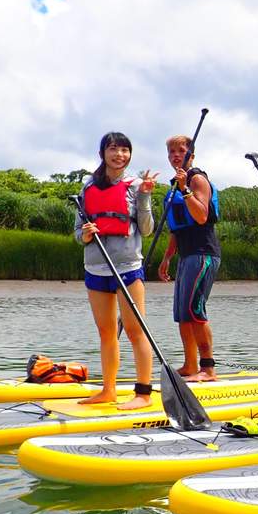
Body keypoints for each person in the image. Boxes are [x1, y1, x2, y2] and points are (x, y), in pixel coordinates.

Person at [75, 131, 158, 410]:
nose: (119, 155)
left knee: (136, 331)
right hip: (96, 268)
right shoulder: (88, 187)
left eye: (124, 150)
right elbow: (77, 233)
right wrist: (85, 234)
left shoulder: (136, 186)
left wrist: (145, 197)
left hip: (127, 267)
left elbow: (146, 229)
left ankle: (143, 394)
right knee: (106, 333)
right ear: (103, 153)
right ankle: (108, 390)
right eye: (113, 149)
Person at [157, 135, 221, 382]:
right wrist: (167, 259)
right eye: (171, 151)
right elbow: (176, 229)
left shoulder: (196, 179)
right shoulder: (175, 184)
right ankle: (190, 364)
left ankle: (208, 369)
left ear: (191, 155)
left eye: (181, 151)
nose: (175, 155)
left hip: (203, 253)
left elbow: (202, 215)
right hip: (186, 255)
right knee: (182, 314)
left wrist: (185, 189)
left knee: (195, 310)